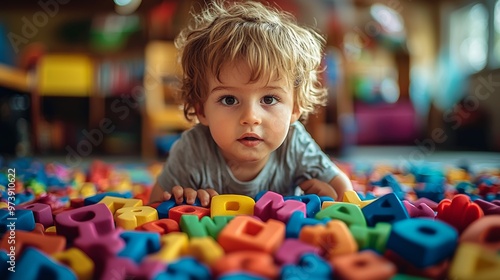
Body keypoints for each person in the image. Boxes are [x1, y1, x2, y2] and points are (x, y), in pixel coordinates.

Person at [149, 0, 352, 207]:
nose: (250, 117)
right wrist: (181, 201)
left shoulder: (294, 144)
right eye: (229, 100)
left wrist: (330, 198)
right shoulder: (193, 150)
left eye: (269, 99)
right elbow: (154, 205)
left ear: (295, 107)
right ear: (201, 109)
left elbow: (344, 192)